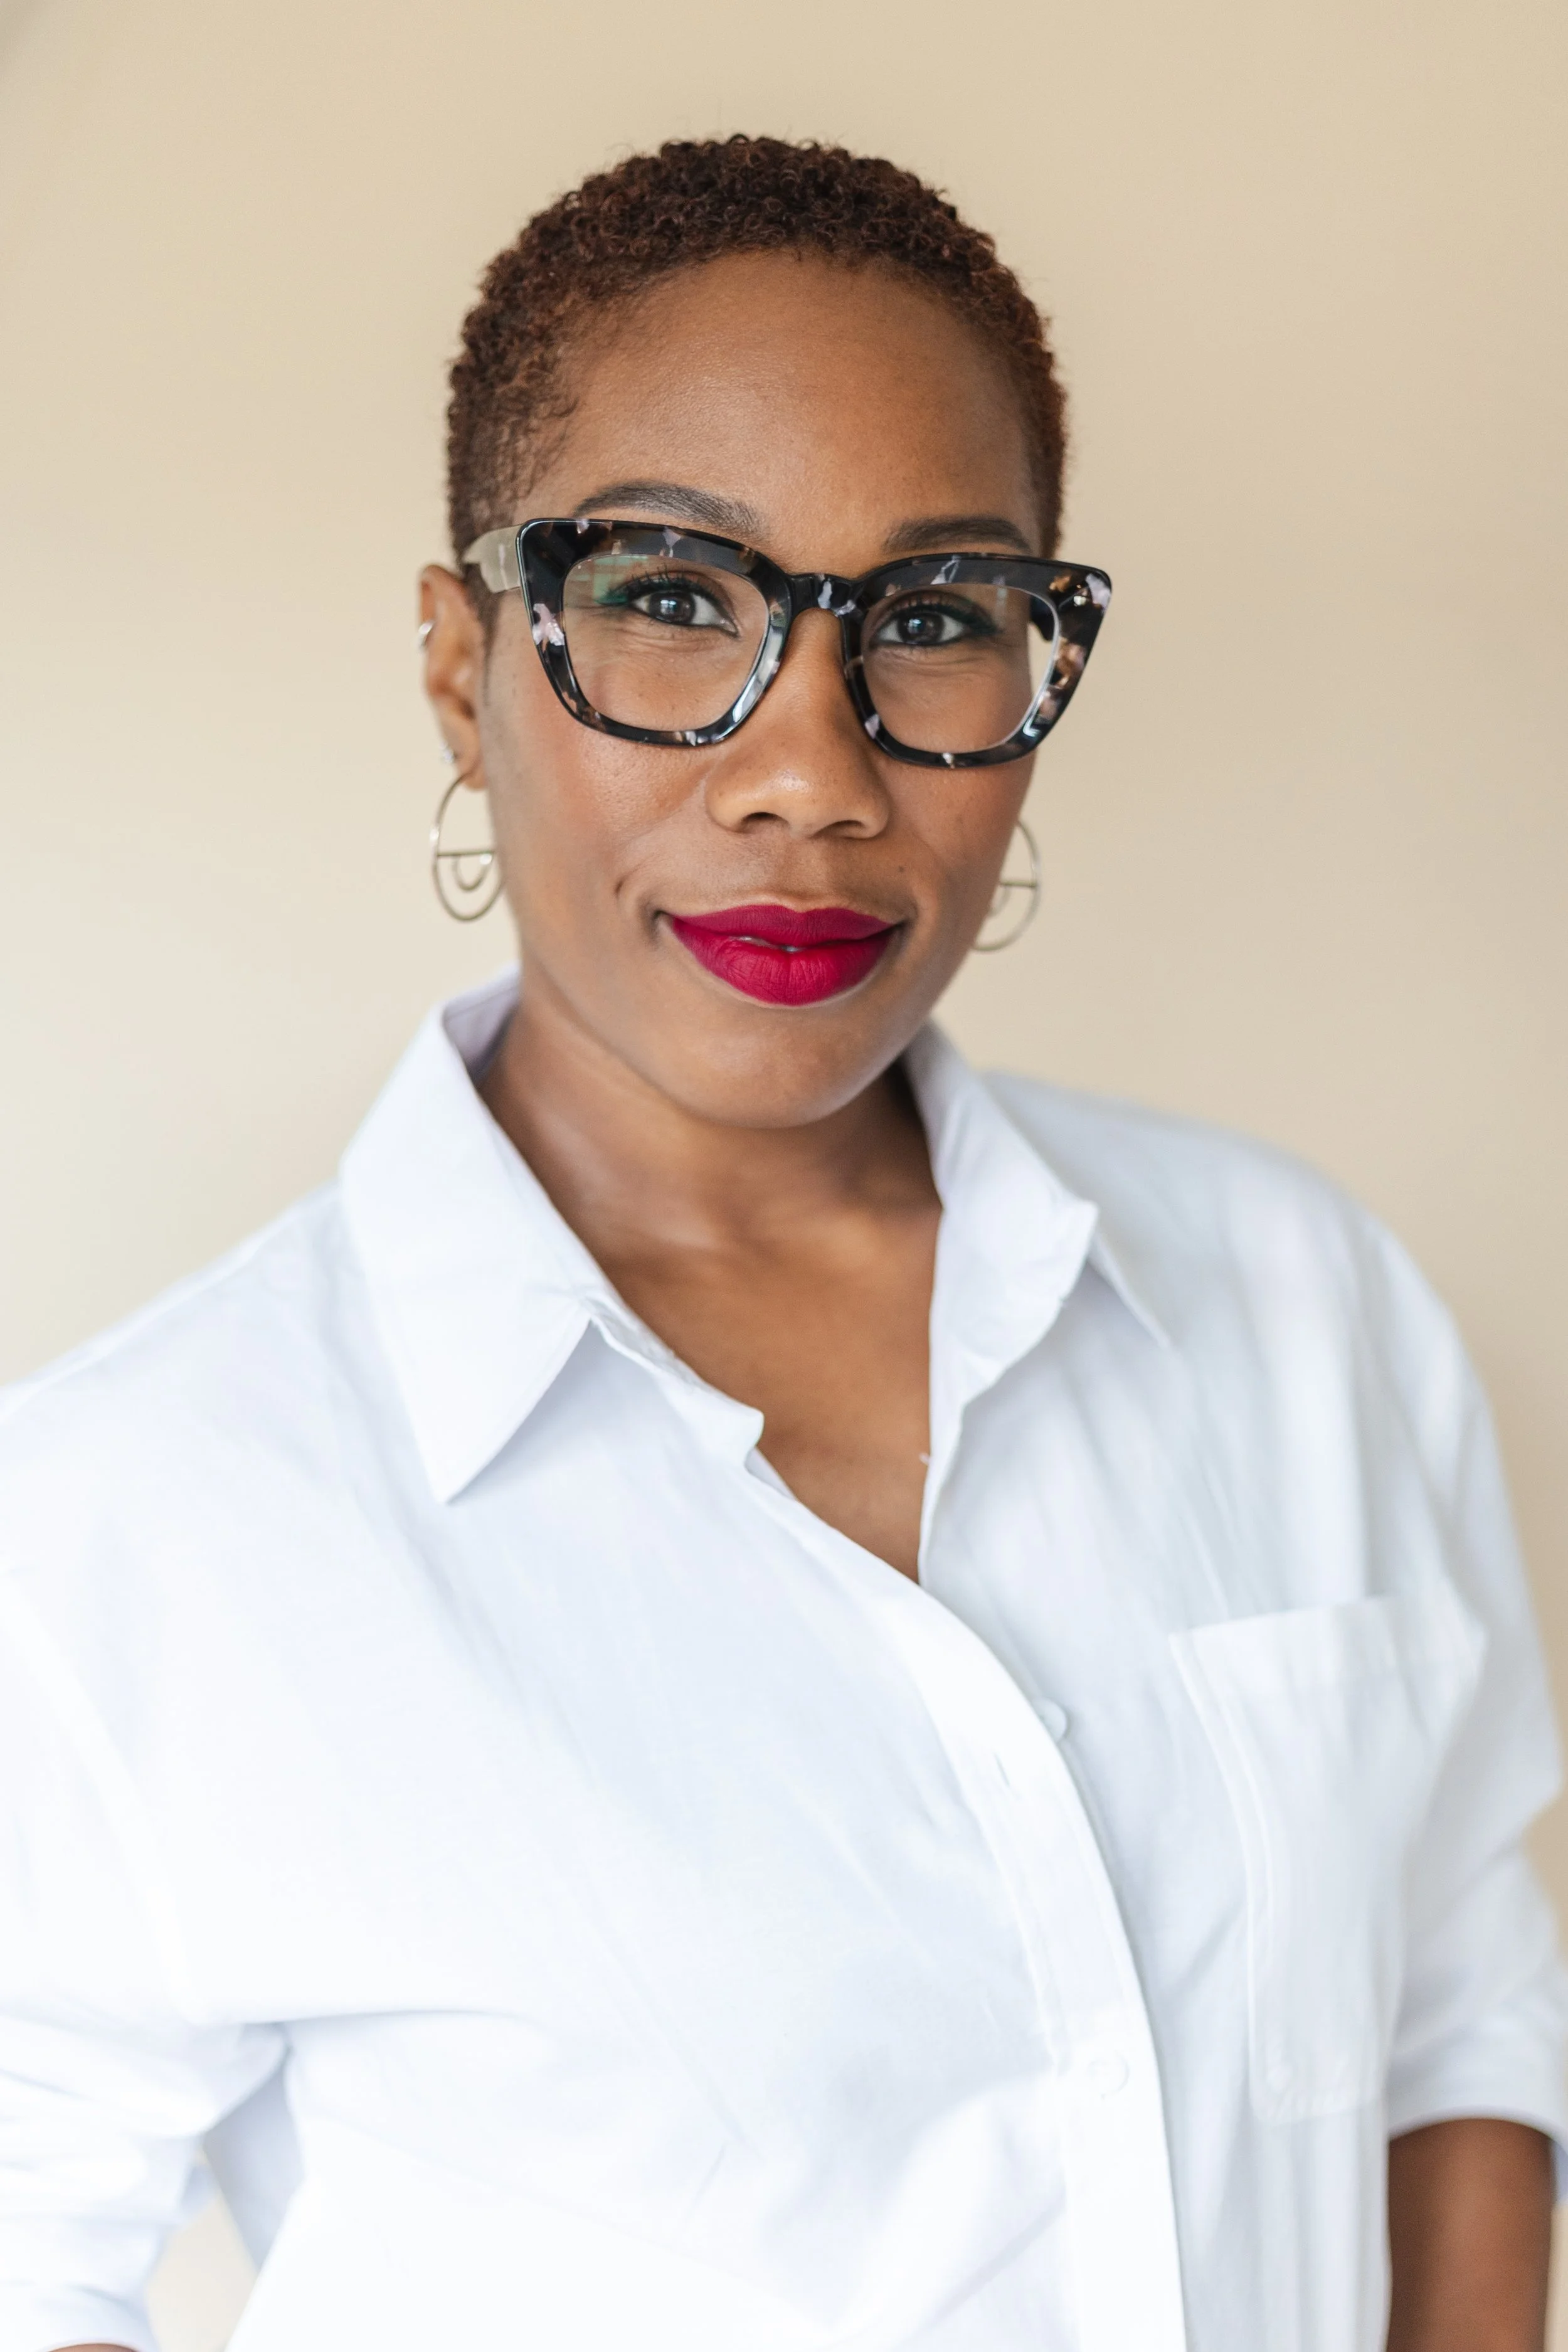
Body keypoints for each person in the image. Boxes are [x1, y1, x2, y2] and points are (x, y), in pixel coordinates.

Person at [0, 134, 1560, 2352]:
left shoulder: (1296, 1305)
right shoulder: (127, 1522)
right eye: (667, 594)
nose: (809, 772)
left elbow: (1452, 1999)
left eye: (930, 619)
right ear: (459, 666)